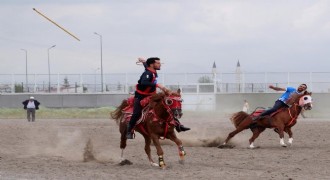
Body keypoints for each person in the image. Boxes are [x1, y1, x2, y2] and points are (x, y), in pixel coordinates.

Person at [126, 57, 190, 139]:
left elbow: (147, 66)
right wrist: (157, 85)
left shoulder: (151, 70)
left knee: (167, 106)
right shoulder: (147, 74)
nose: (160, 65)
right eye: (158, 63)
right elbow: (144, 82)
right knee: (136, 113)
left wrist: (144, 62)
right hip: (141, 97)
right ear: (152, 64)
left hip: (152, 95)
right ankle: (129, 131)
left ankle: (178, 125)